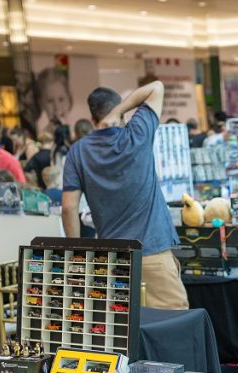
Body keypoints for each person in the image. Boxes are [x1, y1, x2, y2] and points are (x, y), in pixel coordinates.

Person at [62, 83, 189, 310]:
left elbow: (69, 208)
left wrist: (76, 254)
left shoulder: (78, 151)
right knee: (173, 327)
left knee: (123, 335)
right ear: (119, 111)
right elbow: (156, 88)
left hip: (113, 261)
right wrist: (119, 111)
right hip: (152, 252)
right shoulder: (137, 134)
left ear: (92, 119)